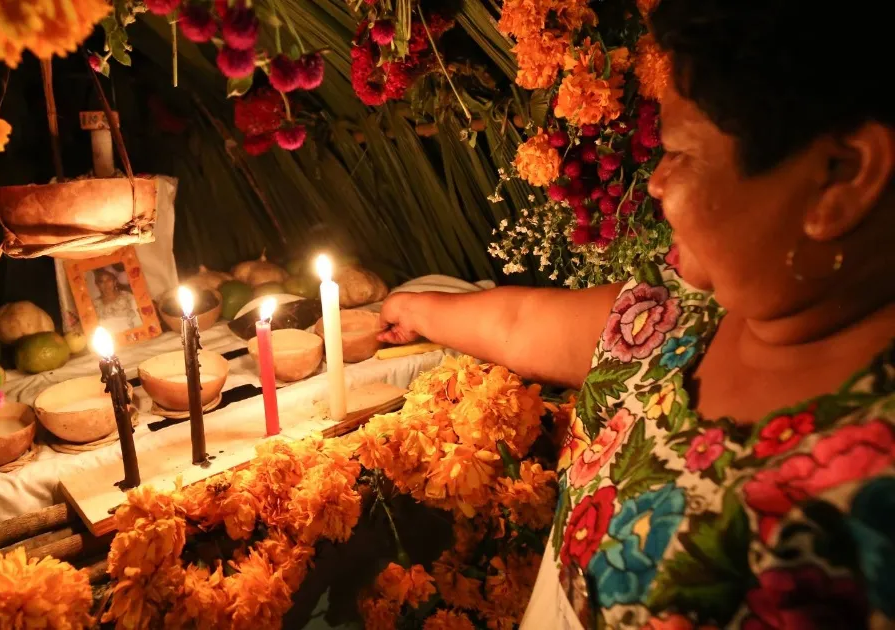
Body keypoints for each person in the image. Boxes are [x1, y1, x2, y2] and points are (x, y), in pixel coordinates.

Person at [379, 1, 895, 627]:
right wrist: (415, 308)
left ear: (841, 175)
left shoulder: (867, 500)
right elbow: (524, 325)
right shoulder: (686, 305)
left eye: (680, 151)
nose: (654, 183)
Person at [92, 268, 142, 333]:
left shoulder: (127, 296)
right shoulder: (94, 304)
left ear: (114, 282)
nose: (106, 284)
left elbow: (138, 317)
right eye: (101, 281)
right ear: (97, 286)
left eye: (109, 280)